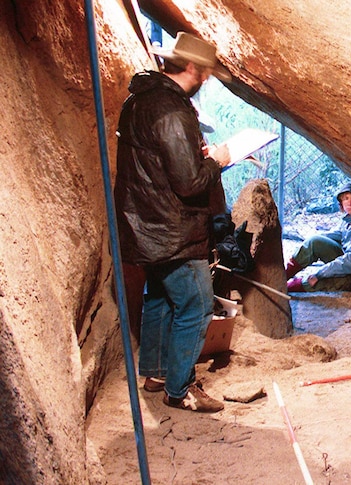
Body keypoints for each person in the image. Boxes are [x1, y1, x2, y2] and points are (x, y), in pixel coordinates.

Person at [114, 32, 232, 413]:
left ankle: (156, 372)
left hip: (144, 225)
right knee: (196, 306)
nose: (207, 80)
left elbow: (157, 163)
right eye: (206, 74)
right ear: (193, 69)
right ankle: (180, 390)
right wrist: (218, 161)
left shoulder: (140, 100)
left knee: (161, 299)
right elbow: (189, 182)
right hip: (172, 229)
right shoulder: (173, 110)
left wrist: (194, 155)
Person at [285, 183, 351, 292]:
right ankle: (282, 277)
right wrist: (308, 245)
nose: (349, 203)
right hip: (350, 264)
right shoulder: (350, 219)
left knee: (312, 282)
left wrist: (320, 273)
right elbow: (331, 236)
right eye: (345, 199)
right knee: (314, 242)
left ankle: (285, 287)